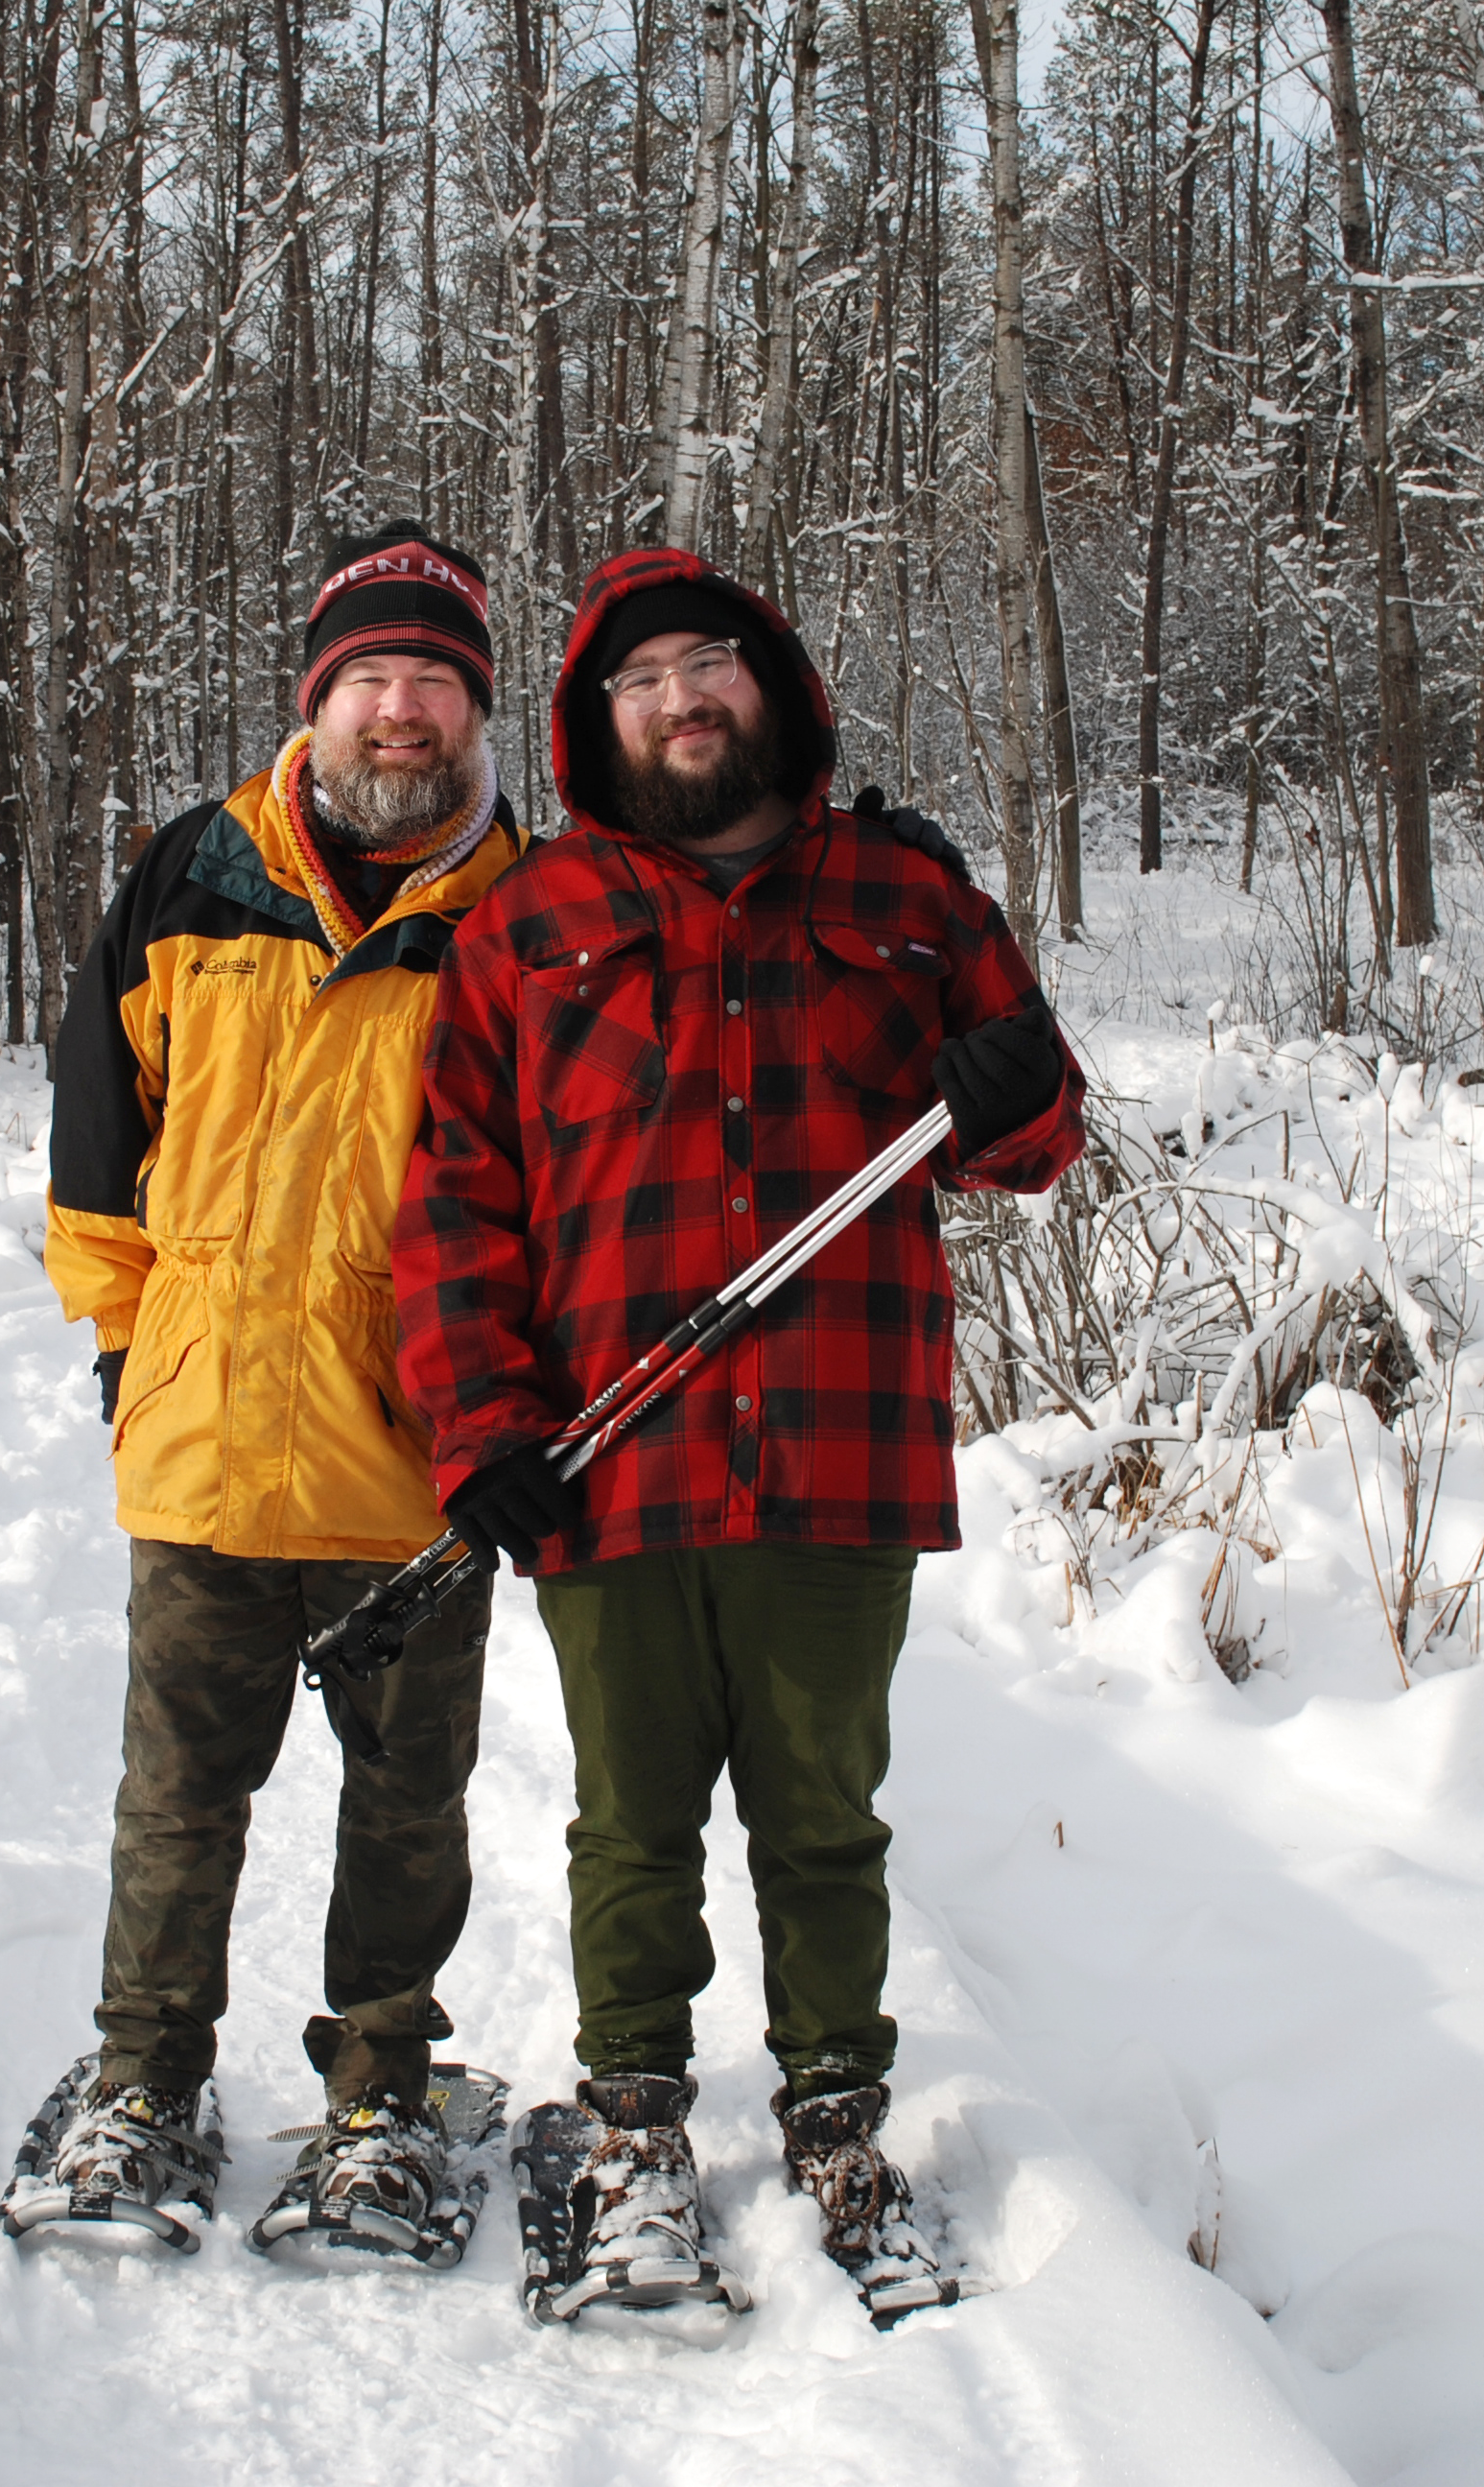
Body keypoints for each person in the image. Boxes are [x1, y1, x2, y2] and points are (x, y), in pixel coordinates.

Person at [392, 548, 1082, 2313]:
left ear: (767, 681)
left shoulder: (908, 892)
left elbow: (1037, 1131)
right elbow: (456, 1204)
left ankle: (840, 2114)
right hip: (609, 1459)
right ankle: (632, 2119)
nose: (679, 699)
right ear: (594, 722)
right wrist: (484, 1436)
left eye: (707, 663)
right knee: (632, 1822)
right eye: (639, 681)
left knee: (824, 1814)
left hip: (837, 1450)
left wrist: (1020, 1089)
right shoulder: (525, 925)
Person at [24, 525, 526, 2260]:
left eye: (437, 687)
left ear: (480, 712)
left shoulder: (530, 920)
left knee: (408, 1802)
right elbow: (99, 1151)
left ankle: (383, 2092)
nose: (402, 716)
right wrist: (123, 1349)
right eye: (371, 681)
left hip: (420, 1465)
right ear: (316, 700)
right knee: (179, 1790)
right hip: (209, 1443)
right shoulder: (187, 876)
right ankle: (143, 2079)